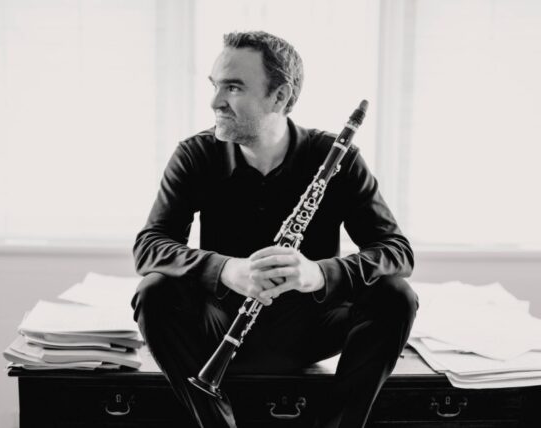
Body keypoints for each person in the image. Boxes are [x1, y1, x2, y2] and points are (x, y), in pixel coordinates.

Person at [131, 30, 418, 428]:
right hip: (220, 323)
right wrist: (226, 270)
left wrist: (319, 274)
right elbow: (150, 246)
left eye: (233, 88)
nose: (215, 102)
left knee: (396, 296)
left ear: (280, 97)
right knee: (154, 291)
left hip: (311, 328)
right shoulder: (196, 155)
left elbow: (396, 251)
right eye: (215, 86)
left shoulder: (336, 158)